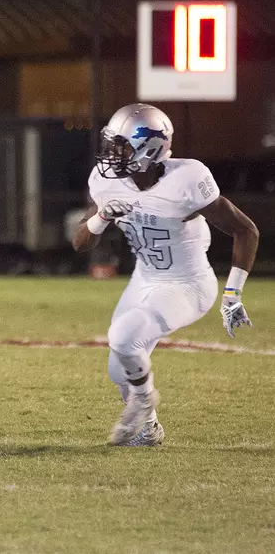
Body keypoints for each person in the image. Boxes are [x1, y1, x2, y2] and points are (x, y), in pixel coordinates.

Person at [73, 103, 259, 446]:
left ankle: (145, 402)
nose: (112, 154)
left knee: (124, 336)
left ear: (149, 148)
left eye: (122, 145)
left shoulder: (186, 179)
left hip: (186, 284)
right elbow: (80, 242)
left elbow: (245, 230)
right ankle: (149, 428)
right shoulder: (107, 180)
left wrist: (233, 295)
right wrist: (101, 218)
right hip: (145, 279)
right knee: (119, 368)